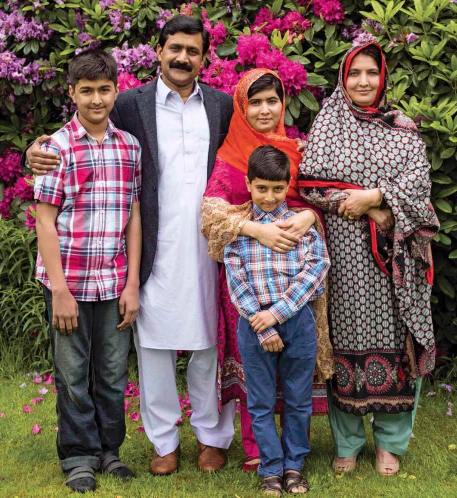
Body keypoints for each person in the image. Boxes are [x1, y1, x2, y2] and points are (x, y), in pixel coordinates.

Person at [25, 15, 235, 475]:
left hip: (207, 248)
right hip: (149, 250)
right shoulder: (130, 104)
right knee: (154, 347)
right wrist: (34, 151)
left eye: (193, 51)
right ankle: (164, 442)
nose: (182, 58)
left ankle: (210, 437)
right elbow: (83, 127)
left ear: (204, 57)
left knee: (208, 343)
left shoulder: (221, 105)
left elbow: (245, 158)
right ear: (159, 51)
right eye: (174, 48)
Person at [298, 41, 440, 475]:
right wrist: (357, 204)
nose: (363, 81)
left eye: (371, 73)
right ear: (344, 77)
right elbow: (307, 183)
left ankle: (390, 444)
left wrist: (378, 199)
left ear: (383, 78)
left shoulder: (402, 127)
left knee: (397, 341)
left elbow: (419, 186)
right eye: (354, 73)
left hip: (393, 262)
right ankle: (347, 442)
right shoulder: (328, 122)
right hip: (340, 259)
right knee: (343, 342)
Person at [201, 69, 334, 471]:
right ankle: (257, 447)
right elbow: (210, 212)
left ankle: (295, 451)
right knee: (253, 367)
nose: (263, 110)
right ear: (242, 106)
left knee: (296, 365)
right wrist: (253, 227)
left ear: (283, 104)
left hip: (296, 278)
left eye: (271, 100)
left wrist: (309, 217)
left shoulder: (296, 151)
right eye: (254, 102)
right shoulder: (231, 154)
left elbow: (318, 199)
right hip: (246, 279)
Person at [34, 49, 141, 493]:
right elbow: (44, 218)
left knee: (113, 373)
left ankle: (109, 451)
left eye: (104, 90)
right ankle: (78, 456)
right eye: (86, 91)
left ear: (115, 90)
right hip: (69, 283)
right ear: (72, 93)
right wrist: (59, 289)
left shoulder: (129, 146)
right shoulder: (57, 148)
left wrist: (133, 282)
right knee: (73, 373)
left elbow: (133, 213)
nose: (96, 99)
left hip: (114, 281)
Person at [225, 145, 330, 495]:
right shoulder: (241, 230)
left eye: (277, 188)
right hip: (253, 322)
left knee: (298, 398)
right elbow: (235, 279)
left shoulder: (303, 228)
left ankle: (294, 466)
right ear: (248, 184)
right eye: (261, 188)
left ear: (288, 186)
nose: (269, 197)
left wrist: (278, 313)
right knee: (260, 400)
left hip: (296, 321)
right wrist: (263, 321)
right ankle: (271, 467)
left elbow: (316, 270)